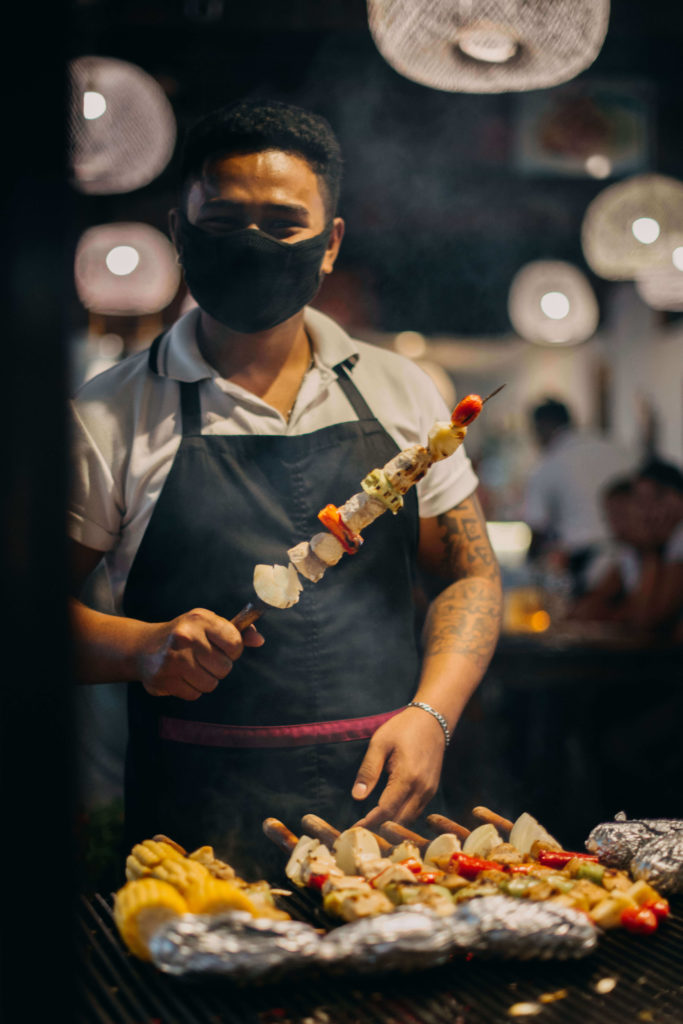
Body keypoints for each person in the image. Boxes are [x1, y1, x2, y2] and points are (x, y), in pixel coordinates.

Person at [68, 99, 502, 876]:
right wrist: (139, 647)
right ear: (180, 232)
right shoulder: (109, 414)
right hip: (194, 830)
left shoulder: (401, 390)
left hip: (390, 820)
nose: (253, 243)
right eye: (225, 219)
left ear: (329, 243)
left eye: (281, 221)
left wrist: (433, 714)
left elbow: (469, 572)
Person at [524, 398, 635, 597]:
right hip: (632, 556)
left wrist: (527, 571)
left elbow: (537, 527)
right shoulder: (612, 447)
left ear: (543, 426)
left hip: (584, 561)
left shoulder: (549, 464)